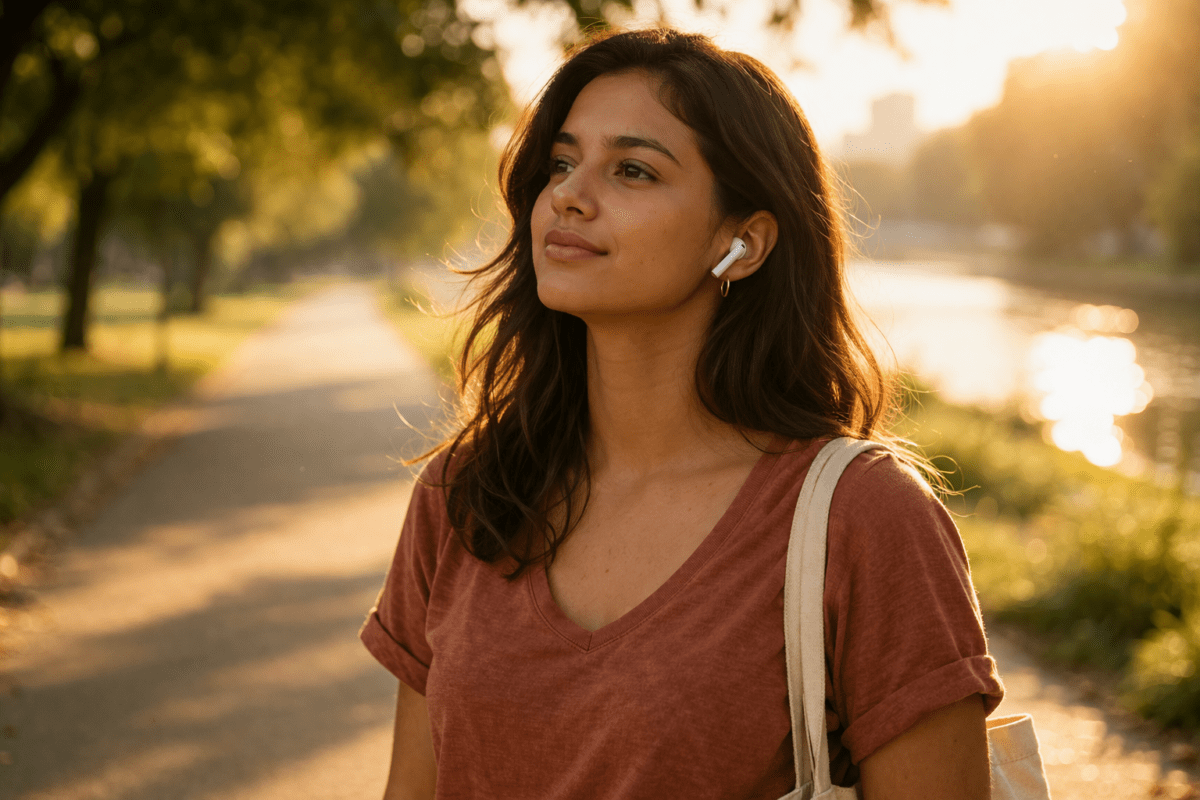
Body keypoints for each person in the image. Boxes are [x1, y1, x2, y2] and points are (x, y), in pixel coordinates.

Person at [361, 27, 1004, 799]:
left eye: (632, 169)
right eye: (562, 163)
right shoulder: (466, 491)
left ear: (743, 242)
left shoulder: (862, 520)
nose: (568, 193)